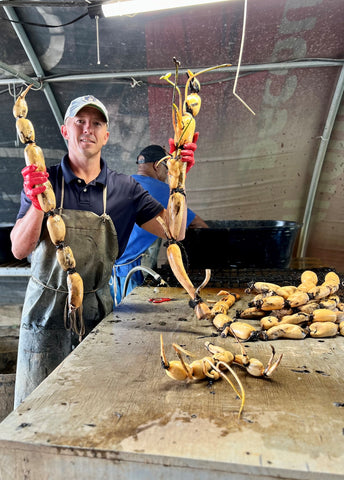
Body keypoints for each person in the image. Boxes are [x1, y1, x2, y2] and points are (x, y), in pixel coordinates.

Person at [10, 95, 198, 407]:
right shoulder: (45, 178)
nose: (88, 129)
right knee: (37, 407)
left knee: (94, 403)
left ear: (106, 135)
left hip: (98, 311)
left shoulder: (127, 189)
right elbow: (19, 249)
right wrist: (37, 199)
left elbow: (174, 232)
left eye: (96, 123)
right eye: (79, 122)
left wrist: (179, 181)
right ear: (65, 130)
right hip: (45, 313)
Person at [110, 144, 208, 305]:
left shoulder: (122, 183)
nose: (168, 173)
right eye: (167, 167)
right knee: (131, 319)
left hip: (109, 273)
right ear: (157, 166)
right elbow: (196, 223)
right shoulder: (162, 189)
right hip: (131, 271)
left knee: (114, 319)